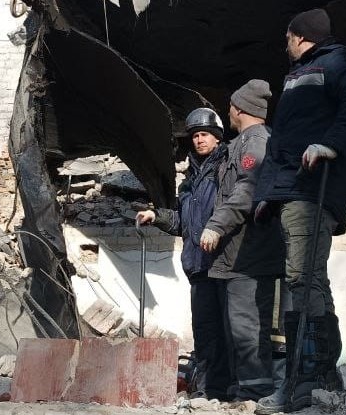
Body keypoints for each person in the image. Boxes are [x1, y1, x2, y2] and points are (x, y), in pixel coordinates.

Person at [252, 9, 346, 414]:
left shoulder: (338, 62)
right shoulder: (298, 75)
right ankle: (322, 374)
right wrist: (266, 194)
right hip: (291, 189)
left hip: (312, 188)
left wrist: (331, 144)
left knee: (301, 281)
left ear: (299, 36)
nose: (285, 45)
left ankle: (301, 380)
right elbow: (282, 141)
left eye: (287, 38)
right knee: (311, 280)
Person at [136, 107, 231, 400]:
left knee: (231, 330)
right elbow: (185, 223)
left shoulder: (227, 169)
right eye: (195, 136)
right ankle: (207, 390)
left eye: (204, 135)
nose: (199, 140)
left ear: (217, 137)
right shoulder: (190, 180)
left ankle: (235, 389)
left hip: (225, 265)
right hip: (198, 266)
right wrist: (157, 216)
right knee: (205, 332)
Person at [199, 79, 286, 402]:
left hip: (249, 256)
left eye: (231, 107)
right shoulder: (243, 143)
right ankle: (242, 388)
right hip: (236, 256)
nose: (229, 112)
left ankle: (255, 391)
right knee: (237, 327)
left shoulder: (257, 143)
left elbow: (248, 190)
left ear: (239, 109)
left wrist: (216, 225)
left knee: (247, 327)